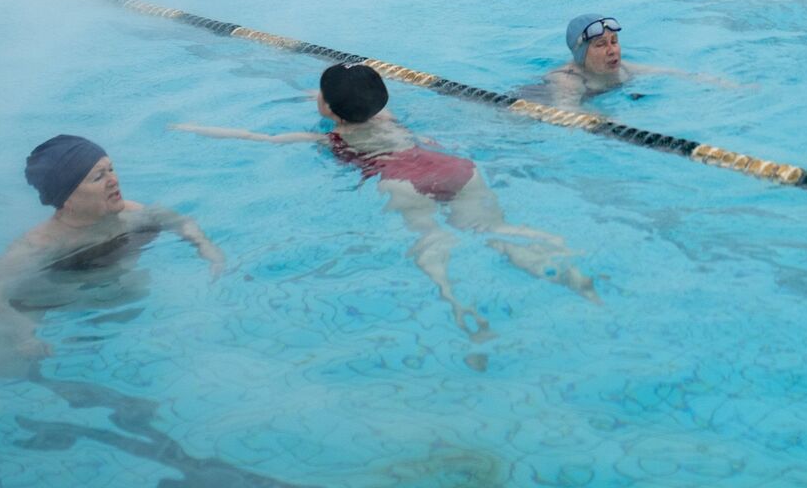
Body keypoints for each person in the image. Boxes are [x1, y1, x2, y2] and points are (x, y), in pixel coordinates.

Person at [175, 61, 595, 338]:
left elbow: (260, 137)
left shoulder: (331, 136)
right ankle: (563, 262)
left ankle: (455, 301)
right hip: (450, 165)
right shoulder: (387, 116)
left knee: (432, 243)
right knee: (496, 230)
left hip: (400, 180)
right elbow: (352, 101)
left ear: (333, 111)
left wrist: (194, 128)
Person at [0, 135, 224, 359]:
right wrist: (23, 335)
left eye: (111, 169)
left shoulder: (131, 214)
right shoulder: (40, 246)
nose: (113, 180)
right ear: (67, 198)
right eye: (99, 176)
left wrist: (206, 248)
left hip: (121, 311)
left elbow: (179, 222)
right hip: (65, 318)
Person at [533, 13, 722, 107]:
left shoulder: (623, 68)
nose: (611, 50)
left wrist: (717, 83)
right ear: (581, 55)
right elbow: (569, 113)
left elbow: (669, 72)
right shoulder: (567, 80)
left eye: (614, 42)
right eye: (601, 44)